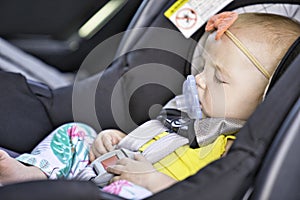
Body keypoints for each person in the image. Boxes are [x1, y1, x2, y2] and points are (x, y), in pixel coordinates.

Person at [0, 12, 299, 199]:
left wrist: (154, 181)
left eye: (219, 78)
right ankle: (33, 171)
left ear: (265, 98)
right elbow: (149, 136)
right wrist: (115, 139)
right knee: (75, 132)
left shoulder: (229, 148)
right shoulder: (185, 108)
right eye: (202, 66)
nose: (200, 80)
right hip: (113, 165)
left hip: (142, 190)